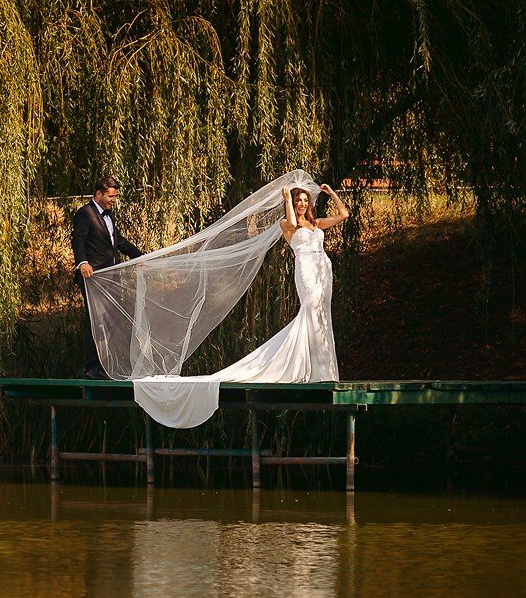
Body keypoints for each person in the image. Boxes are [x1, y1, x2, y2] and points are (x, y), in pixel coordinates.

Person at [132, 180, 349, 426]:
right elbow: (290, 221)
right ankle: (303, 366)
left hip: (323, 269)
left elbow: (343, 214)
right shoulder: (287, 224)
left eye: (304, 200)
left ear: (309, 203)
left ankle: (323, 370)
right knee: (309, 310)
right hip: (306, 269)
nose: (301, 204)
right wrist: (287, 199)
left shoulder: (316, 223)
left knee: (322, 315)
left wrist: (331, 193)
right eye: (298, 200)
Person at [72, 176, 144, 378]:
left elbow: (116, 240)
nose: (114, 200)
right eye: (111, 196)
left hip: (110, 277)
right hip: (93, 277)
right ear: (98, 194)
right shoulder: (85, 213)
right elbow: (78, 238)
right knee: (96, 319)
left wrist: (137, 254)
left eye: (115, 196)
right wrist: (82, 262)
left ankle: (105, 362)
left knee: (109, 319)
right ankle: (91, 366)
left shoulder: (109, 215)